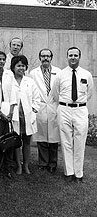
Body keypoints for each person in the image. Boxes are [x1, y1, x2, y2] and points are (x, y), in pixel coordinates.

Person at [52, 47, 94, 183]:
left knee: (80, 141)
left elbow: (89, 93)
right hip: (64, 109)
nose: (73, 57)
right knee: (66, 141)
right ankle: (68, 172)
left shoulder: (86, 74)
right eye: (70, 55)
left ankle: (79, 174)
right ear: (67, 57)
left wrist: (79, 104)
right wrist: (66, 103)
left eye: (76, 55)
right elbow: (55, 93)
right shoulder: (60, 75)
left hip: (80, 110)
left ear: (79, 57)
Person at [29, 48, 61, 174]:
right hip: (40, 107)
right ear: (39, 58)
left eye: (48, 56)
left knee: (53, 138)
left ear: (51, 58)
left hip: (53, 106)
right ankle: (43, 163)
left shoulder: (58, 72)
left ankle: (52, 164)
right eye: (43, 56)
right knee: (41, 137)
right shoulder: (33, 73)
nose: (45, 58)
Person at [9, 55, 40, 175]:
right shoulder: (9, 81)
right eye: (18, 65)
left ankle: (26, 165)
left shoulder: (30, 82)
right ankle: (18, 165)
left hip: (27, 116)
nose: (21, 68)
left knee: (27, 142)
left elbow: (37, 99)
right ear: (13, 67)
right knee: (16, 142)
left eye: (23, 66)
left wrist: (33, 111)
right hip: (15, 116)